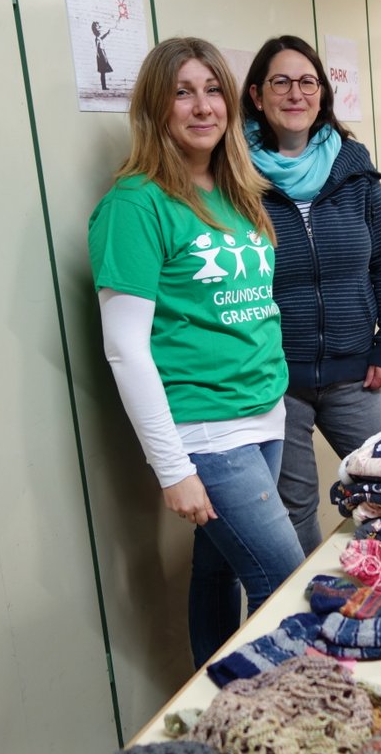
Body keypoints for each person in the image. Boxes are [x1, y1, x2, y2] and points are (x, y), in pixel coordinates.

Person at [88, 37, 305, 667]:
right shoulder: (135, 204)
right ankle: (278, 710)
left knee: (219, 571)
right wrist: (172, 468)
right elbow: (125, 348)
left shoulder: (236, 191)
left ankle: (215, 704)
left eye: (213, 90)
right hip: (207, 431)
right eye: (182, 93)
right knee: (285, 584)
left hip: (263, 413)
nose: (203, 106)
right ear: (156, 107)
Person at [242, 36, 381, 554]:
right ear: (257, 95)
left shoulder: (351, 165)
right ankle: (309, 599)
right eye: (281, 82)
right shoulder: (234, 174)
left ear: (322, 94)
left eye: (307, 82)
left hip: (356, 373)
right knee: (293, 508)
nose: (296, 94)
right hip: (275, 380)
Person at [92, 22, 112, 90]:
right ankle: (104, 87)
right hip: (101, 56)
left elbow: (102, 37)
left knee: (103, 72)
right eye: (97, 26)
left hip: (102, 55)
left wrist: (107, 33)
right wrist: (101, 56)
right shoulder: (97, 39)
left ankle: (104, 86)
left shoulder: (99, 38)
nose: (99, 27)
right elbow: (97, 49)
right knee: (103, 72)